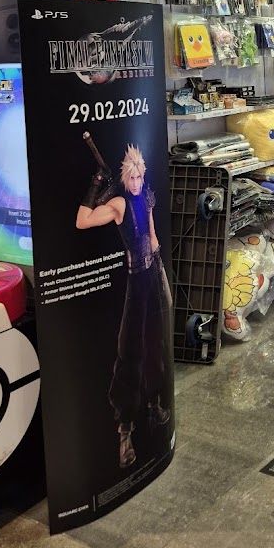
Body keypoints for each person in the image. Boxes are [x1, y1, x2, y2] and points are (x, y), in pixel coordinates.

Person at [76, 143, 172, 469]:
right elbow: (82, 221)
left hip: (152, 274)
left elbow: (154, 236)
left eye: (139, 177)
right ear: (125, 178)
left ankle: (155, 404)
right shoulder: (117, 203)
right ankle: (125, 429)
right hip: (134, 279)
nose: (135, 183)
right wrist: (96, 183)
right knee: (130, 351)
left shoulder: (145, 196)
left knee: (156, 343)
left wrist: (161, 273)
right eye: (131, 179)